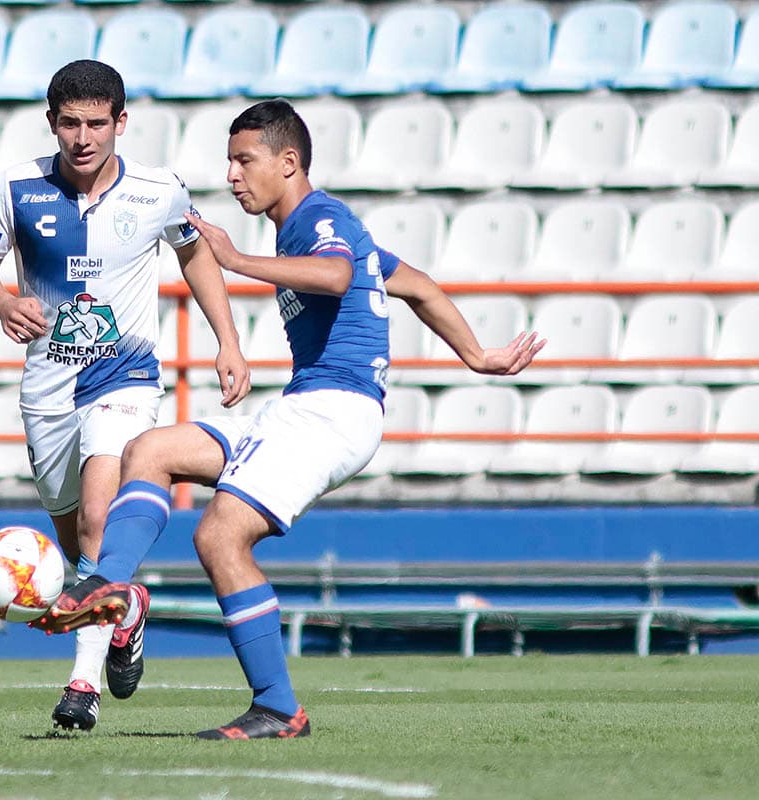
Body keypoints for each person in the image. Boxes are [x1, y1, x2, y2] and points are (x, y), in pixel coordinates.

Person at [31, 99, 546, 738]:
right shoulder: (312, 228)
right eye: (229, 161)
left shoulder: (320, 219)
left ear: (288, 161)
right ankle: (110, 588)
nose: (232, 175)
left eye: (244, 160)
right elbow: (415, 284)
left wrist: (235, 261)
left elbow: (334, 275)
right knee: (151, 451)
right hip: (302, 407)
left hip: (335, 413)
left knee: (220, 536)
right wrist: (476, 355)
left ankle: (277, 707)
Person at [0, 60, 251, 732]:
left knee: (98, 520)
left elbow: (195, 255)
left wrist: (228, 340)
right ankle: (125, 614)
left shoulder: (160, 191)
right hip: (48, 391)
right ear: (52, 122)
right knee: (73, 554)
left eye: (97, 123)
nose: (83, 137)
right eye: (70, 123)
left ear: (121, 122)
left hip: (123, 381)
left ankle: (81, 687)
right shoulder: (16, 187)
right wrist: (2, 299)